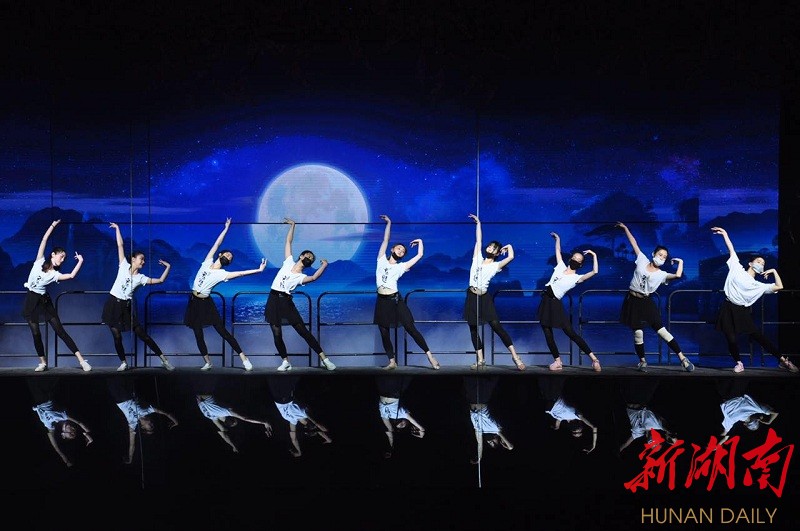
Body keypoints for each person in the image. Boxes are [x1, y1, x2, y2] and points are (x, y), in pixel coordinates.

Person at [711, 227, 797, 373]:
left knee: (758, 336)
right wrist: (725, 234)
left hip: (742, 311)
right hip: (727, 307)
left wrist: (774, 271)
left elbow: (779, 286)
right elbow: (731, 250)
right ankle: (739, 363)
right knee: (731, 339)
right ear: (750, 263)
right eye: (758, 261)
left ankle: (783, 361)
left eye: (763, 264)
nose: (761, 264)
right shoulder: (737, 269)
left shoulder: (758, 285)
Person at [184, 218, 266, 371]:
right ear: (220, 254)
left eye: (230, 258)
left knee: (222, 331)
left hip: (206, 303)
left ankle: (244, 358)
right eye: (227, 254)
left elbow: (241, 273)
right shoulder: (207, 262)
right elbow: (217, 243)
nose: (228, 257)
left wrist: (258, 270)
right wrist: (226, 228)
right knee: (198, 333)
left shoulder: (223, 274)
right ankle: (208, 362)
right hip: (193, 302)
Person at [616, 222, 694, 372]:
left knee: (661, 330)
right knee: (638, 333)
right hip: (632, 301)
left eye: (664, 257)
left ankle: (683, 359)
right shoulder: (642, 259)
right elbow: (633, 243)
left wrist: (681, 262)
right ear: (653, 254)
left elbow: (677, 275)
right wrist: (625, 228)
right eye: (660, 255)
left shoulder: (662, 274)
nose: (662, 258)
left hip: (646, 302)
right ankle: (642, 361)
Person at [265, 218, 336, 372]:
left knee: (303, 331)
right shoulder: (288, 262)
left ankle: (325, 359)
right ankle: (285, 361)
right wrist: (293, 225)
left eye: (312, 259)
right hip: (273, 299)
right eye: (308, 256)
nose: (310, 258)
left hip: (286, 302)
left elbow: (314, 277)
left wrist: (324, 266)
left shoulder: (301, 277)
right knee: (276, 333)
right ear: (302, 256)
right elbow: (288, 242)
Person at [102, 222, 175, 371]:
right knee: (116, 336)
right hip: (112, 303)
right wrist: (117, 229)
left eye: (144, 259)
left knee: (143, 335)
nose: (143, 261)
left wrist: (168, 267)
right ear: (133, 259)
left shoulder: (141, 278)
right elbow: (120, 245)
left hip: (126, 306)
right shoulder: (123, 265)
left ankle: (164, 359)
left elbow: (160, 280)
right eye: (141, 258)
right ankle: (123, 362)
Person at [22, 219, 91, 372]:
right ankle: (43, 362)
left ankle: (82, 361)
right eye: (62, 256)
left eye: (65, 258)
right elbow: (44, 240)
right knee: (35, 333)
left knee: (60, 331)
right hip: (31, 300)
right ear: (53, 254)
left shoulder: (55, 274)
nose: (63, 259)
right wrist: (53, 225)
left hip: (44, 301)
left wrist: (80, 261)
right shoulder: (39, 261)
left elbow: (71, 275)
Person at [374, 214, 439, 370]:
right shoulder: (381, 259)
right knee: (384, 332)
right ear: (392, 249)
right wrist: (389, 223)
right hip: (382, 301)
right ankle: (392, 361)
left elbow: (420, 255)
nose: (401, 251)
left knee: (410, 328)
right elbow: (385, 239)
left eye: (403, 251)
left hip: (395, 300)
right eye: (399, 248)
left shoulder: (401, 267)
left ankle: (430, 356)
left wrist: (420, 242)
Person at [464, 214, 525, 371]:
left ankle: (515, 357)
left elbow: (511, 256)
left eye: (494, 248)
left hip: (484, 297)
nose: (490, 248)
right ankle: (481, 360)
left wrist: (508, 245)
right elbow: (478, 240)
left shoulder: (496, 265)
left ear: (497, 253)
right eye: (490, 246)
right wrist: (478, 223)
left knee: (496, 326)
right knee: (473, 328)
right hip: (471, 296)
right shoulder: (477, 257)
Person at [539, 232, 601, 372]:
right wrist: (558, 239)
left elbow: (595, 272)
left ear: (580, 264)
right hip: (545, 301)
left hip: (555, 303)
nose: (575, 260)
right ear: (570, 259)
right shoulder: (560, 266)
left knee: (570, 332)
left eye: (578, 260)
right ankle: (558, 361)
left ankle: (594, 359)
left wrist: (594, 255)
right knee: (547, 332)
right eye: (574, 258)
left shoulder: (577, 278)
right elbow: (558, 250)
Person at [107, 377, 179, 464]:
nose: (152, 424)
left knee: (111, 379)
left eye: (150, 427)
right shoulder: (149, 409)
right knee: (122, 376)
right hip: (128, 393)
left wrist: (130, 459)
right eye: (153, 425)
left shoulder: (132, 424)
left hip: (119, 398)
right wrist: (176, 422)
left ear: (143, 427)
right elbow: (167, 413)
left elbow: (132, 445)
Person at [28, 377, 93, 467]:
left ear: (63, 435)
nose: (73, 430)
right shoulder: (63, 416)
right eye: (74, 431)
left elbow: (56, 447)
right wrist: (89, 435)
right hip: (49, 394)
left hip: (39, 398)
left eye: (71, 434)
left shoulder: (50, 426)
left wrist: (65, 459)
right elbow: (79, 423)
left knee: (31, 378)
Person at [196, 393, 273, 453]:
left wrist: (264, 422)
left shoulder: (227, 411)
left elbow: (245, 418)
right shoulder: (213, 418)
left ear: (232, 417)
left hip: (204, 394)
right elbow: (224, 435)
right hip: (200, 398)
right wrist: (233, 446)